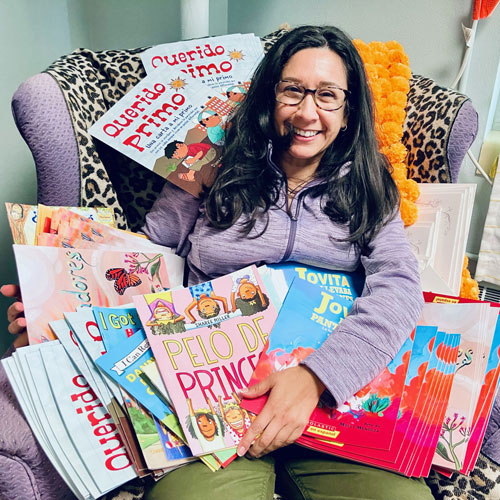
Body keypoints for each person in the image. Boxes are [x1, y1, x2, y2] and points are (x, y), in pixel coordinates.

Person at [2, 25, 433, 500]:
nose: (307, 112)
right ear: (270, 96)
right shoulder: (209, 163)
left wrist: (317, 377)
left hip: (333, 399)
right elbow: (143, 260)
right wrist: (53, 311)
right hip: (214, 397)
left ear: (349, 111)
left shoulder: (373, 186)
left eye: (328, 96)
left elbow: (399, 288)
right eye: (293, 90)